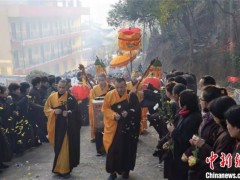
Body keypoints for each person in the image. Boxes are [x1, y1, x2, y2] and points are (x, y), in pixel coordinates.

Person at [102, 77, 141, 180]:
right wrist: (114, 115)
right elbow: (105, 109)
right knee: (112, 150)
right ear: (115, 86)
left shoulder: (131, 96)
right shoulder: (109, 95)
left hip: (127, 129)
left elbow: (137, 110)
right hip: (114, 128)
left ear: (126, 85)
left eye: (122, 87)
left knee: (126, 149)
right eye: (118, 87)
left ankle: (125, 171)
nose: (120, 89)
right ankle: (112, 172)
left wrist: (129, 113)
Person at [44, 80, 80, 178]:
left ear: (67, 87)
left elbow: (77, 111)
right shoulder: (52, 97)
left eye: (63, 87)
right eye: (59, 87)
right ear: (57, 86)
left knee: (64, 148)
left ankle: (64, 170)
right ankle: (57, 168)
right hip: (55, 126)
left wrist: (68, 113)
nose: (61, 89)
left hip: (67, 127)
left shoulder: (71, 98)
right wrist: (54, 111)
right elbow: (46, 109)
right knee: (58, 147)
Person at [89, 73, 114, 155]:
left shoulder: (111, 88)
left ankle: (109, 148)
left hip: (108, 112)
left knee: (108, 129)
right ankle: (99, 150)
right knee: (99, 130)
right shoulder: (94, 89)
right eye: (99, 80)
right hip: (98, 113)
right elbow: (92, 100)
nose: (101, 82)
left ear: (105, 79)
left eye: (102, 80)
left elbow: (113, 99)